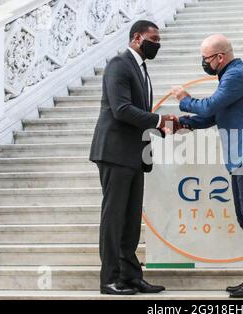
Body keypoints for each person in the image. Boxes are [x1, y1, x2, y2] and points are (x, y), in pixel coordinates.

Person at [171, 34, 243, 299]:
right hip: (240, 156)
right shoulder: (228, 78)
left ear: (220, 57)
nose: (203, 63)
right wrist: (179, 123)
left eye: (205, 58)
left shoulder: (236, 75)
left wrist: (184, 99)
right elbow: (213, 117)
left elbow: (209, 107)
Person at [90, 20, 178, 295]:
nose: (157, 44)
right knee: (114, 218)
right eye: (154, 39)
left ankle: (130, 276)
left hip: (133, 154)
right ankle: (109, 279)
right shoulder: (119, 64)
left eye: (159, 40)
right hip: (115, 153)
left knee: (130, 220)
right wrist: (159, 120)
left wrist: (163, 126)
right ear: (137, 38)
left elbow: (137, 112)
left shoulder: (141, 69)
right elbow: (121, 109)